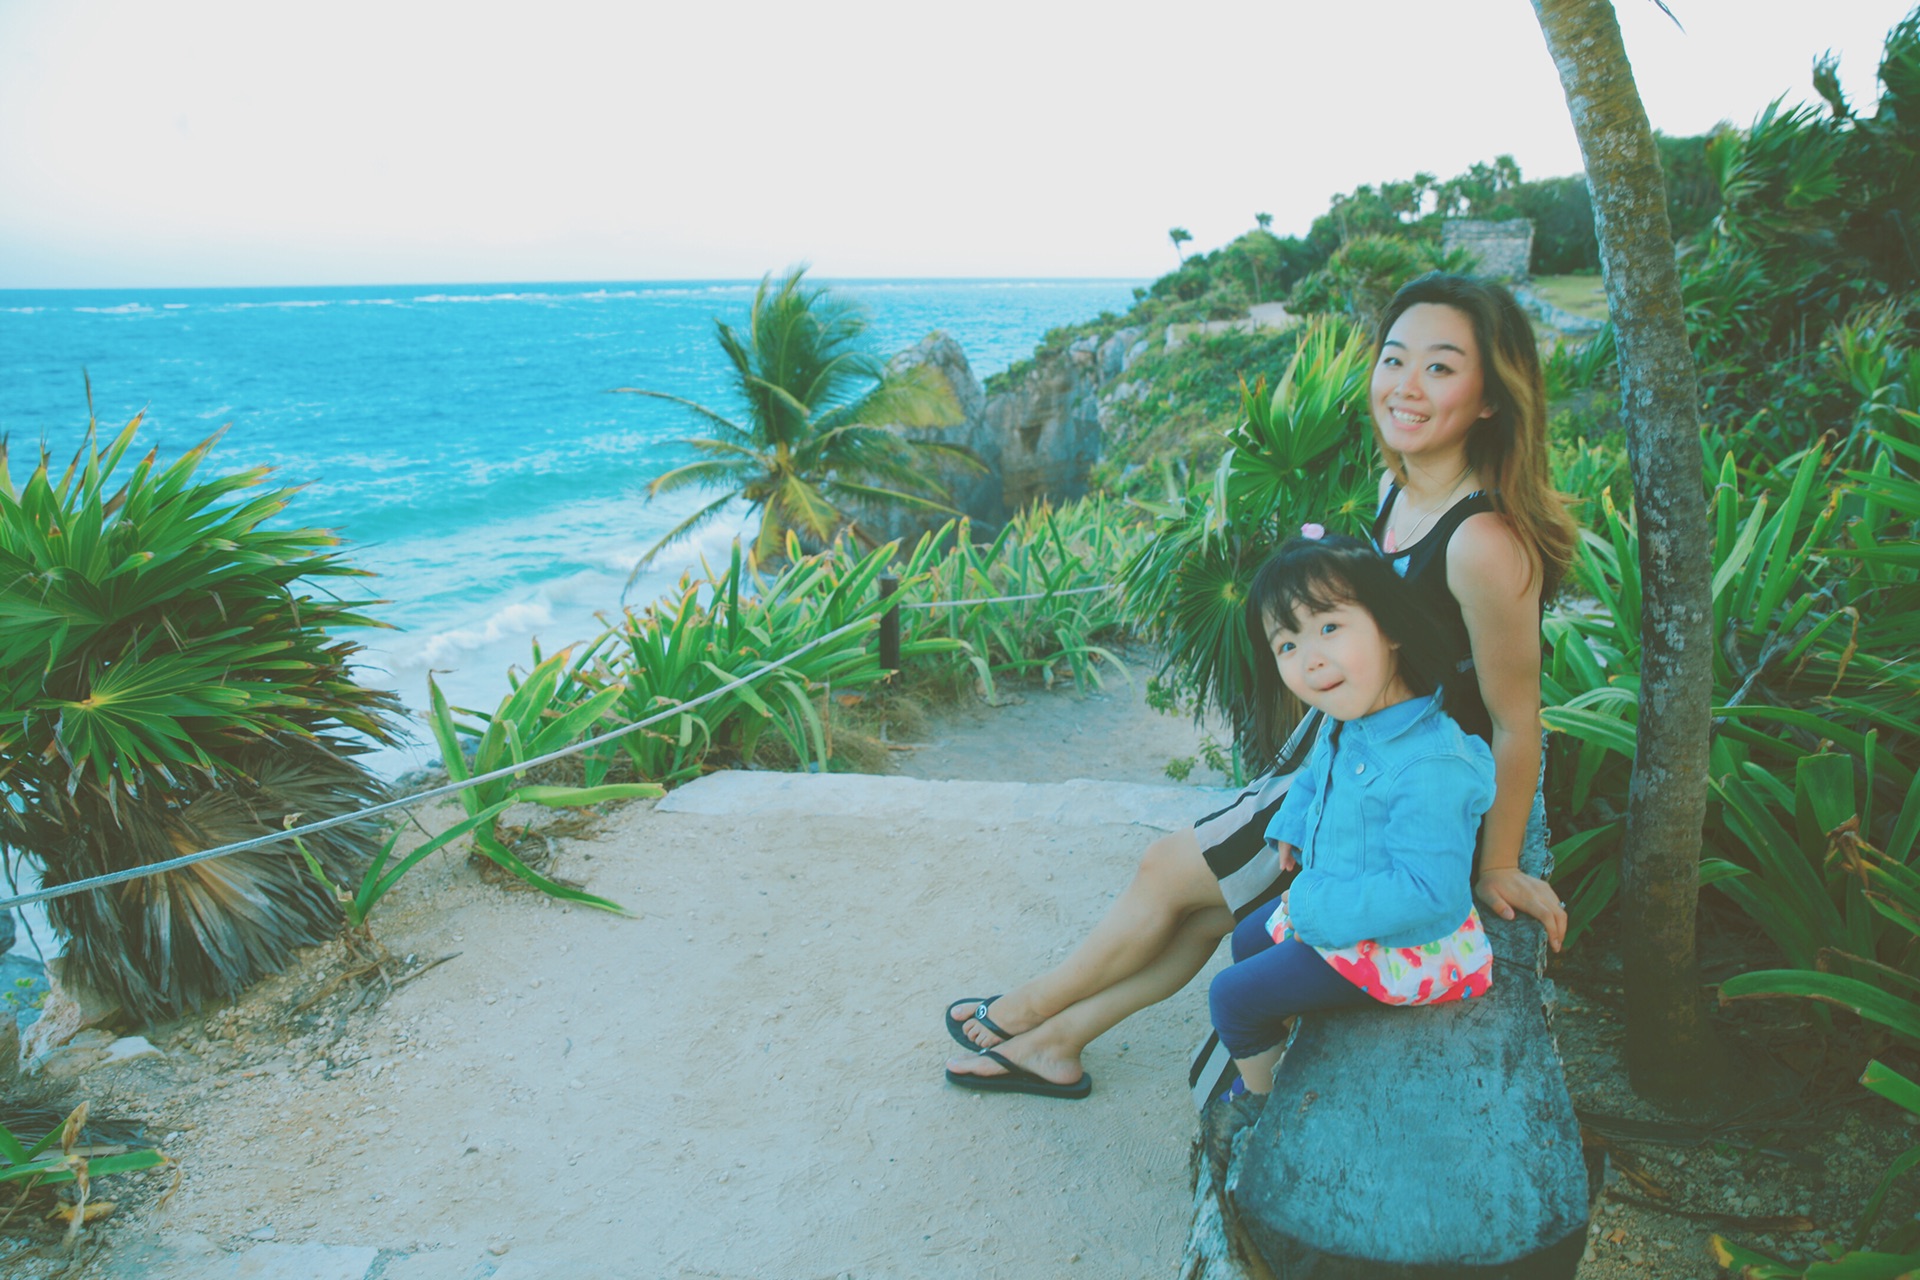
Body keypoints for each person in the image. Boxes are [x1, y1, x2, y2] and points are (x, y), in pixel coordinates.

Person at [942, 273, 1579, 1100]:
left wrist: (1495, 864)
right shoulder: (1399, 490)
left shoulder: (1482, 540)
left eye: (1441, 367)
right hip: (1339, 757)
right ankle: (1055, 1043)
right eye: (1394, 360)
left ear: (1492, 396)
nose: (1406, 386)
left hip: (1390, 794)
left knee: (1167, 871)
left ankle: (1025, 1013)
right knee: (1208, 911)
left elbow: (1515, 719)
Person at [1207, 532, 1496, 1103]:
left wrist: (1312, 907)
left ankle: (1260, 1108)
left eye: (1329, 627)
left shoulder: (1429, 765)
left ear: (1390, 627)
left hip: (1407, 948)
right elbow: (1318, 769)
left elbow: (1430, 893)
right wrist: (1293, 821)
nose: (1310, 658)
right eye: (1287, 644)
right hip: (1347, 902)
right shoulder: (1353, 717)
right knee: (1246, 937)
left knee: (1232, 998)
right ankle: (1289, 1039)